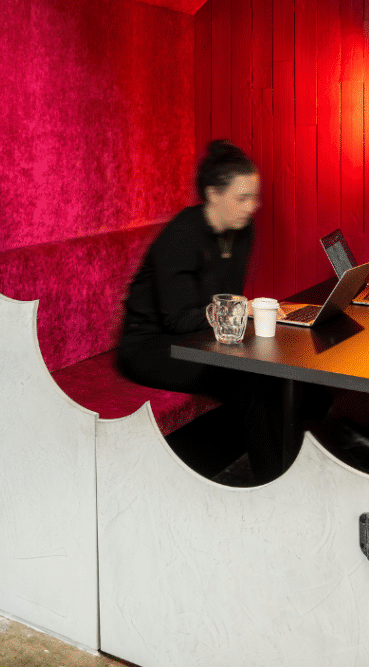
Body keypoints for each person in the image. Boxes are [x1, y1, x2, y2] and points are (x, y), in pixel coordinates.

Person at [116, 139, 285, 483]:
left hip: (199, 338)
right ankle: (275, 485)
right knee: (247, 381)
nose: (253, 206)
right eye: (242, 198)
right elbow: (177, 320)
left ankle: (289, 466)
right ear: (212, 195)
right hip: (152, 345)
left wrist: (243, 312)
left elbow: (225, 301)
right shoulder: (182, 235)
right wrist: (242, 310)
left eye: (254, 196)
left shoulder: (241, 230)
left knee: (278, 371)